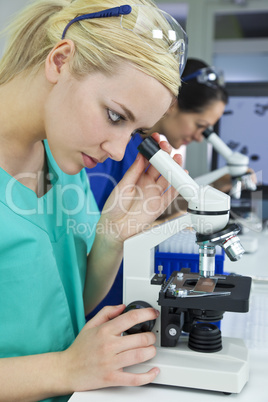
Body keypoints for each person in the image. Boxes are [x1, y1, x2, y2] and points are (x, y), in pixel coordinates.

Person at [0, 1, 187, 401]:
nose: (119, 152)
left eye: (135, 130)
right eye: (116, 116)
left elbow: (63, 303)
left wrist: (112, 236)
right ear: (61, 61)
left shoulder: (59, 154)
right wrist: (65, 368)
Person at [87, 57, 229, 318]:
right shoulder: (106, 150)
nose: (200, 137)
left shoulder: (138, 147)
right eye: (201, 126)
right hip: (96, 295)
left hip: (111, 287)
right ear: (172, 104)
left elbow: (137, 210)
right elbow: (95, 228)